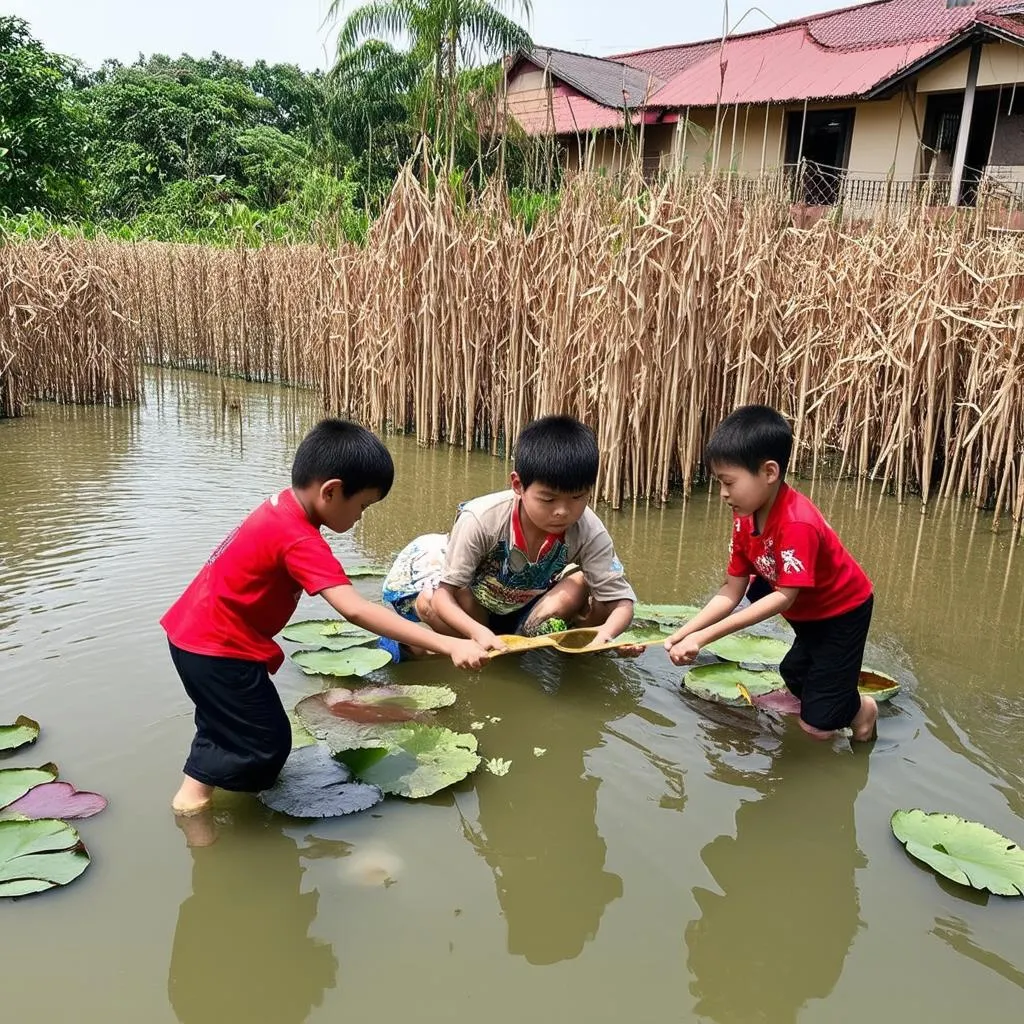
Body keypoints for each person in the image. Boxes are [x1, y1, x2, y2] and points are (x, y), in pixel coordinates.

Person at [161, 419, 489, 816]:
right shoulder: (299, 537)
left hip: (196, 637)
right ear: (331, 491)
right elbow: (354, 607)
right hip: (218, 649)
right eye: (362, 506)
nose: (361, 517)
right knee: (268, 742)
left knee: (227, 726)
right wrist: (449, 642)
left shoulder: (282, 507)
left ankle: (194, 795)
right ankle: (197, 813)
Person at [664, 405, 877, 741]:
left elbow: (783, 597)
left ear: (769, 472)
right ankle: (831, 696)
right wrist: (684, 633)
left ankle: (862, 712)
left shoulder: (796, 523)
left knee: (817, 726)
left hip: (841, 611)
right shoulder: (744, 516)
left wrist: (703, 639)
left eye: (728, 482)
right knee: (794, 673)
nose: (723, 494)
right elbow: (731, 590)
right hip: (805, 608)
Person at [380, 415, 636, 653]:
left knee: (584, 584)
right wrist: (477, 632)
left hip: (515, 594)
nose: (563, 512)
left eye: (578, 497)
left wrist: (606, 635)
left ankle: (533, 641)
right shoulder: (481, 518)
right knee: (433, 603)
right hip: (455, 582)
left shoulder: (589, 529)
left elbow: (621, 601)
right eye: (548, 499)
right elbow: (446, 594)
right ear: (518, 485)